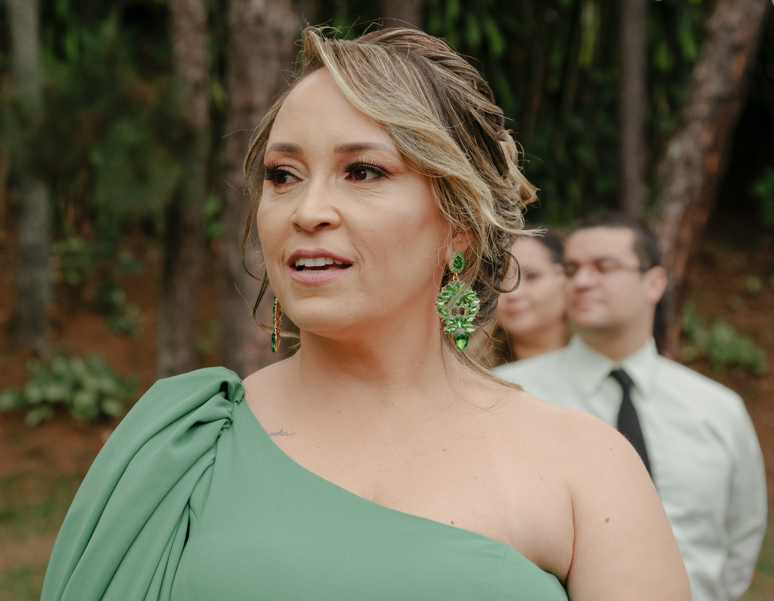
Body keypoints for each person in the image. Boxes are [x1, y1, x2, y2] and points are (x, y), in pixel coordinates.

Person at [40, 28, 690, 601]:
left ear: (459, 226)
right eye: (283, 175)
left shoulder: (586, 467)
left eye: (363, 171)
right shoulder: (184, 442)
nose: (307, 210)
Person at [496, 212, 767, 601]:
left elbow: (743, 533)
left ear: (654, 283)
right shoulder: (510, 393)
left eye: (604, 267)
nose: (582, 281)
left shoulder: (718, 408)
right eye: (572, 269)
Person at [495, 228, 568, 362]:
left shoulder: (605, 358)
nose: (513, 293)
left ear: (564, 277)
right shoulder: (469, 370)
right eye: (500, 280)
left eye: (531, 276)